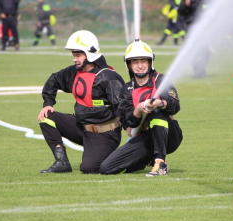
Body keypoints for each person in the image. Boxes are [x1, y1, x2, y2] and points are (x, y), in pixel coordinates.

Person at [37, 30, 125, 174]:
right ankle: (62, 162)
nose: (74, 59)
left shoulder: (108, 77)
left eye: (78, 55)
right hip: (82, 128)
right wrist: (48, 103)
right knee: (46, 117)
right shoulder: (74, 72)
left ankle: (132, 158)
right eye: (74, 55)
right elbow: (53, 80)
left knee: (89, 168)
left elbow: (123, 106)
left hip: (105, 134)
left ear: (90, 54)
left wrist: (132, 130)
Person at [100, 39, 183, 177]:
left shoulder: (161, 80)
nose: (140, 66)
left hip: (169, 136)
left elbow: (175, 106)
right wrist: (138, 109)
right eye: (135, 62)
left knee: (156, 112)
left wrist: (160, 103)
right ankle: (147, 158)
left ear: (150, 62)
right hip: (145, 137)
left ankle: (160, 163)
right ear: (129, 65)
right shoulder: (126, 89)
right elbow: (129, 124)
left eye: (143, 61)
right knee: (106, 168)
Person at [178, 0, 210, 78]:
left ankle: (201, 68)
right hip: (190, 27)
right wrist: (186, 4)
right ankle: (197, 70)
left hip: (203, 27)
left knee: (205, 50)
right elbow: (180, 12)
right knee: (193, 50)